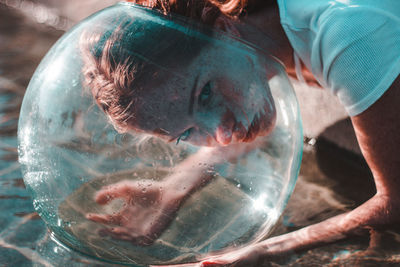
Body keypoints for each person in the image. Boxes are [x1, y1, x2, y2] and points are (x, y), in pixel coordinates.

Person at [82, 0, 400, 266]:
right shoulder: (260, 33)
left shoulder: (346, 38)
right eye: (186, 132)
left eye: (206, 93)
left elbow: (394, 204)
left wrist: (266, 250)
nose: (221, 134)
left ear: (223, 30)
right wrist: (177, 183)